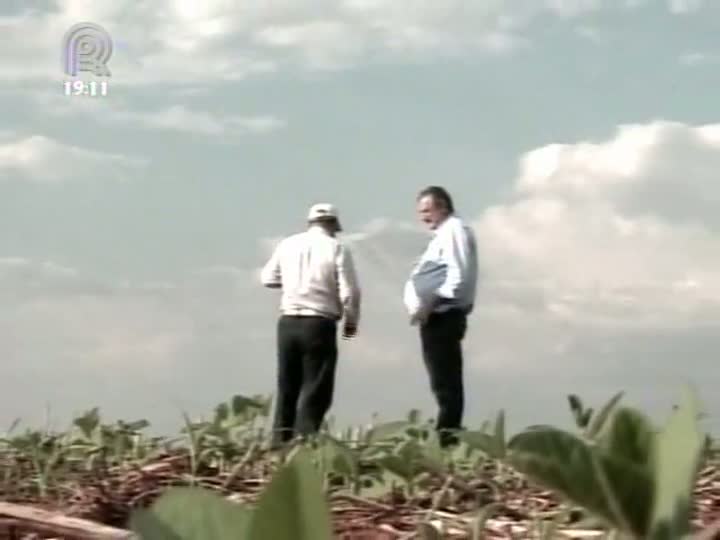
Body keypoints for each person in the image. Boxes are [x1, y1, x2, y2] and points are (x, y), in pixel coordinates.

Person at [260, 203, 361, 447]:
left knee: (287, 384)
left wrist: (294, 284)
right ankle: (304, 442)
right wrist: (351, 325)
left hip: (287, 322)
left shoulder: (288, 244)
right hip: (319, 322)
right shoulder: (337, 248)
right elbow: (349, 292)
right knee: (315, 387)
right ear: (334, 225)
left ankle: (279, 440)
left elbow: (267, 279)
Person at [403, 186, 478, 447]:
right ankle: (446, 435)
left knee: (446, 382)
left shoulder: (454, 230)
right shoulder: (443, 234)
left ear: (443, 206)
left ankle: (447, 438)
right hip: (436, 315)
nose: (423, 217)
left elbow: (458, 275)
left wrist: (431, 301)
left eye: (427, 210)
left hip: (442, 314)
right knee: (441, 381)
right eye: (420, 212)